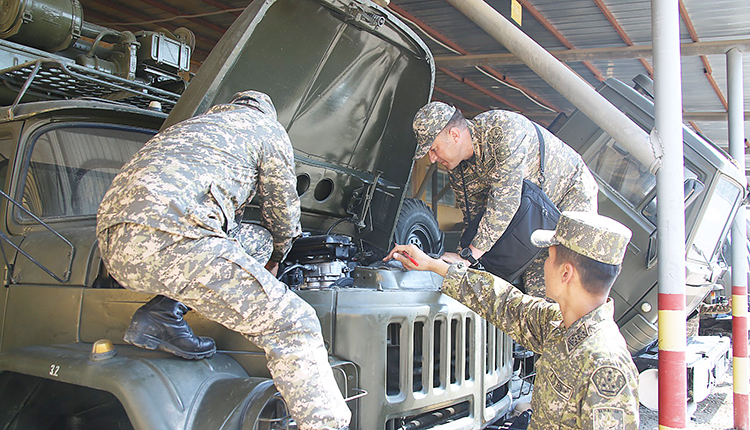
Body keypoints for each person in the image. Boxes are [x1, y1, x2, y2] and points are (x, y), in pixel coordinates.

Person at [96, 91, 351, 430]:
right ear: (267, 113)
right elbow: (284, 212)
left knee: (255, 242)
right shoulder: (266, 130)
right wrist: (278, 257)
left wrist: (265, 250)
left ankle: (160, 314)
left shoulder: (192, 127)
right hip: (177, 239)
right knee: (295, 324)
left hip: (114, 246)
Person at [385, 211, 639, 429]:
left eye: (548, 257)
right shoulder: (559, 325)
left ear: (566, 273)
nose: (543, 266)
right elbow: (505, 302)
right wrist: (432, 265)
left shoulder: (605, 364)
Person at [412, 102, 598, 297]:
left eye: (433, 149)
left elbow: (505, 204)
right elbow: (475, 221)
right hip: (532, 217)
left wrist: (467, 258)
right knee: (538, 295)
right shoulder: (460, 172)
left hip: (569, 195)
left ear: (454, 135)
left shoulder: (501, 130)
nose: (432, 159)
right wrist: (458, 265)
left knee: (568, 281)